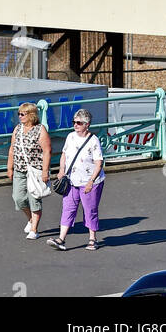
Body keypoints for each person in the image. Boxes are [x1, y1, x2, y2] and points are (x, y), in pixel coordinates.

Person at [47, 107, 105, 251]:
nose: (75, 125)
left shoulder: (93, 141)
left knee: (90, 210)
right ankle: (61, 239)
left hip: (90, 181)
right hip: (71, 180)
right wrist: (61, 170)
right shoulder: (70, 137)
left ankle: (93, 239)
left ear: (87, 124)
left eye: (79, 123)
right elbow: (64, 154)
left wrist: (91, 181)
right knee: (68, 208)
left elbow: (99, 163)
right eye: (74, 122)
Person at [7, 101, 51, 240]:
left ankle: (34, 229)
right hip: (20, 169)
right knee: (18, 198)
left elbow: (47, 151)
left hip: (35, 170)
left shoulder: (40, 129)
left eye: (22, 114)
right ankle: (31, 218)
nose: (19, 116)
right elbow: (12, 148)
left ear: (31, 115)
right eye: (19, 114)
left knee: (34, 199)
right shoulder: (18, 129)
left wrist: (45, 171)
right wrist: (9, 167)